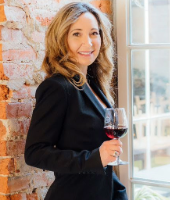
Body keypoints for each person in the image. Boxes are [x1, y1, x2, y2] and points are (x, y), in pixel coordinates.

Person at [24, 2, 128, 200]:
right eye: (77, 34)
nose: (88, 43)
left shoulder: (93, 84)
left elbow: (103, 164)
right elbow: (34, 153)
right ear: (62, 39)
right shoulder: (57, 88)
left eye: (94, 33)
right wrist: (94, 158)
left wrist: (119, 192)